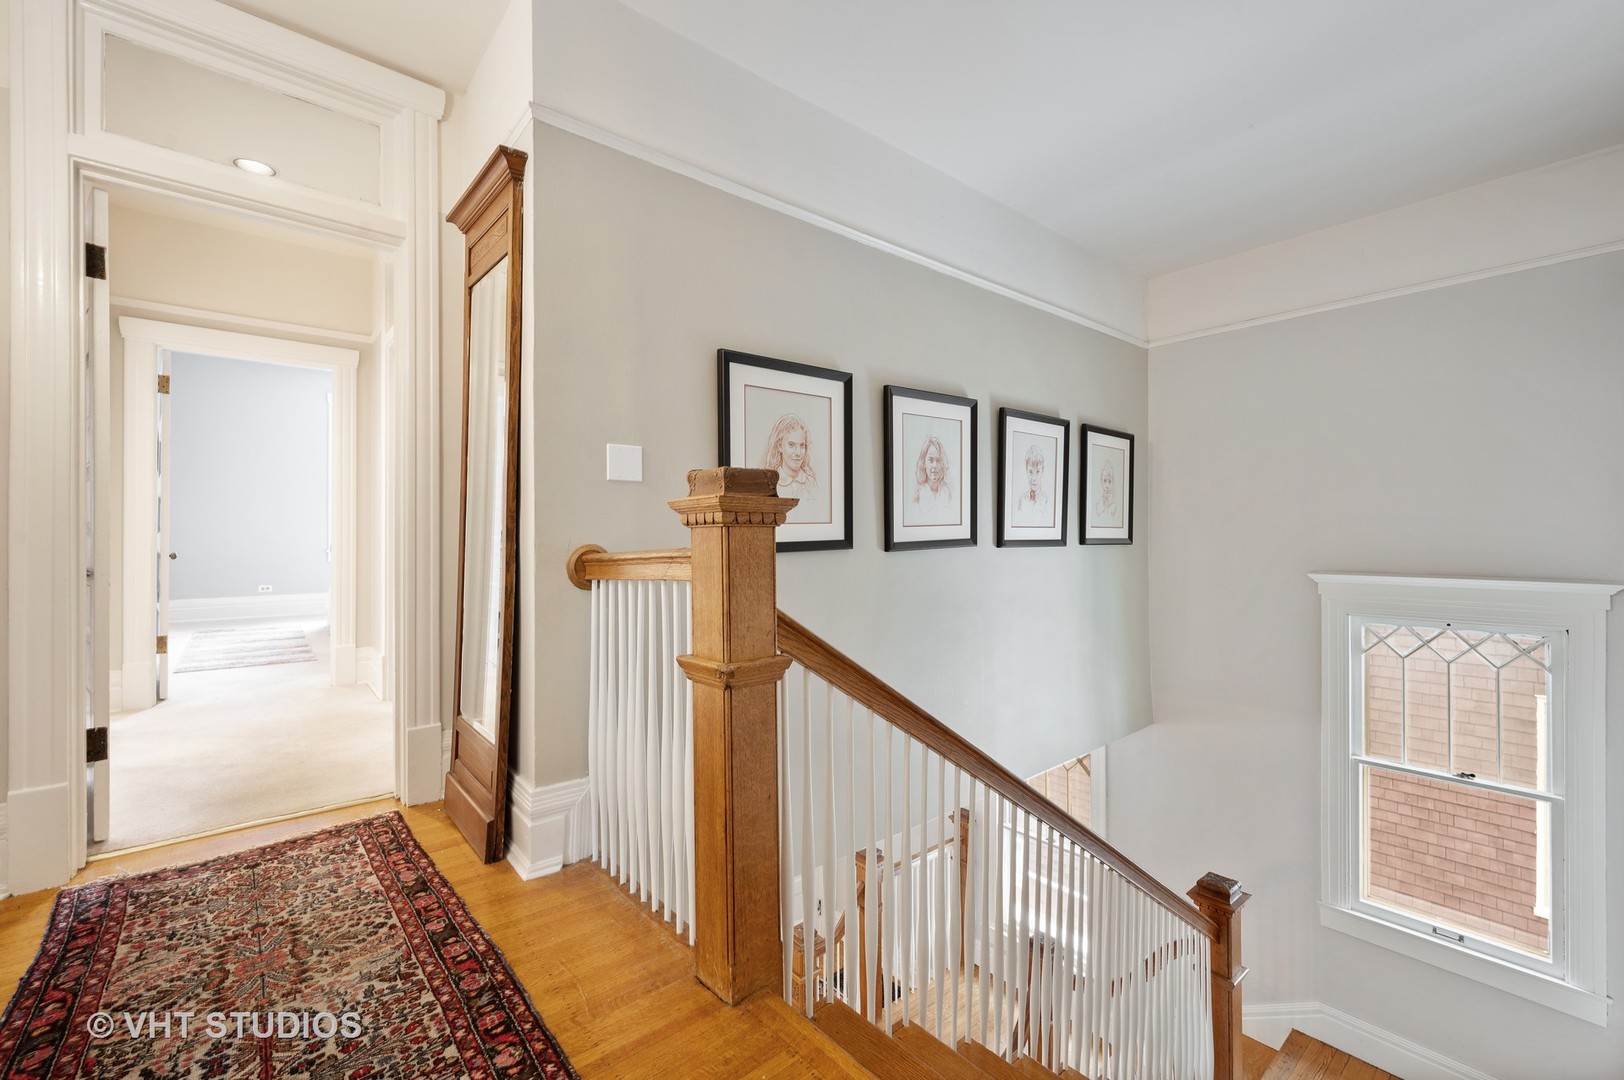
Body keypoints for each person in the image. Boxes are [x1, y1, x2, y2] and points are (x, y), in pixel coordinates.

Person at [760, 413, 817, 497]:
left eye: (802, 446)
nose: (798, 453)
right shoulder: (769, 485)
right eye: (791, 445)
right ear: (780, 446)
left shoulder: (811, 483)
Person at [908, 435, 955, 522]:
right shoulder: (918, 496)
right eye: (931, 460)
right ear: (923, 463)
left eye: (938, 460)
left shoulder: (948, 494)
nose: (935, 465)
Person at [1010, 442, 1052, 526]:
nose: (1034, 478)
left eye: (1037, 472)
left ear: (1042, 471)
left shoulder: (1047, 501)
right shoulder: (1022, 499)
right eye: (1030, 472)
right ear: (1026, 471)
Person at [1093, 455, 1122, 528]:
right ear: (1100, 481)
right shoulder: (1097, 503)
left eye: (1110, 481)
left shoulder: (1116, 504)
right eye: (1105, 481)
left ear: (1113, 482)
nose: (1107, 485)